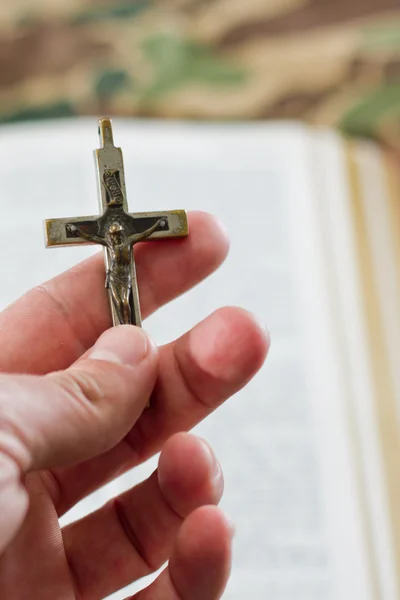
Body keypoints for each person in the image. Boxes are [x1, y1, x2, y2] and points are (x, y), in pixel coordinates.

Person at [0, 211, 269, 599]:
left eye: (116, 230)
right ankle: (126, 339)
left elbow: (160, 224)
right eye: (110, 231)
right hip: (116, 278)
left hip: (126, 274)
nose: (113, 233)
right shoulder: (107, 236)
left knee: (128, 298)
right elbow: (71, 229)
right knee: (119, 293)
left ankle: (126, 338)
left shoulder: (130, 231)